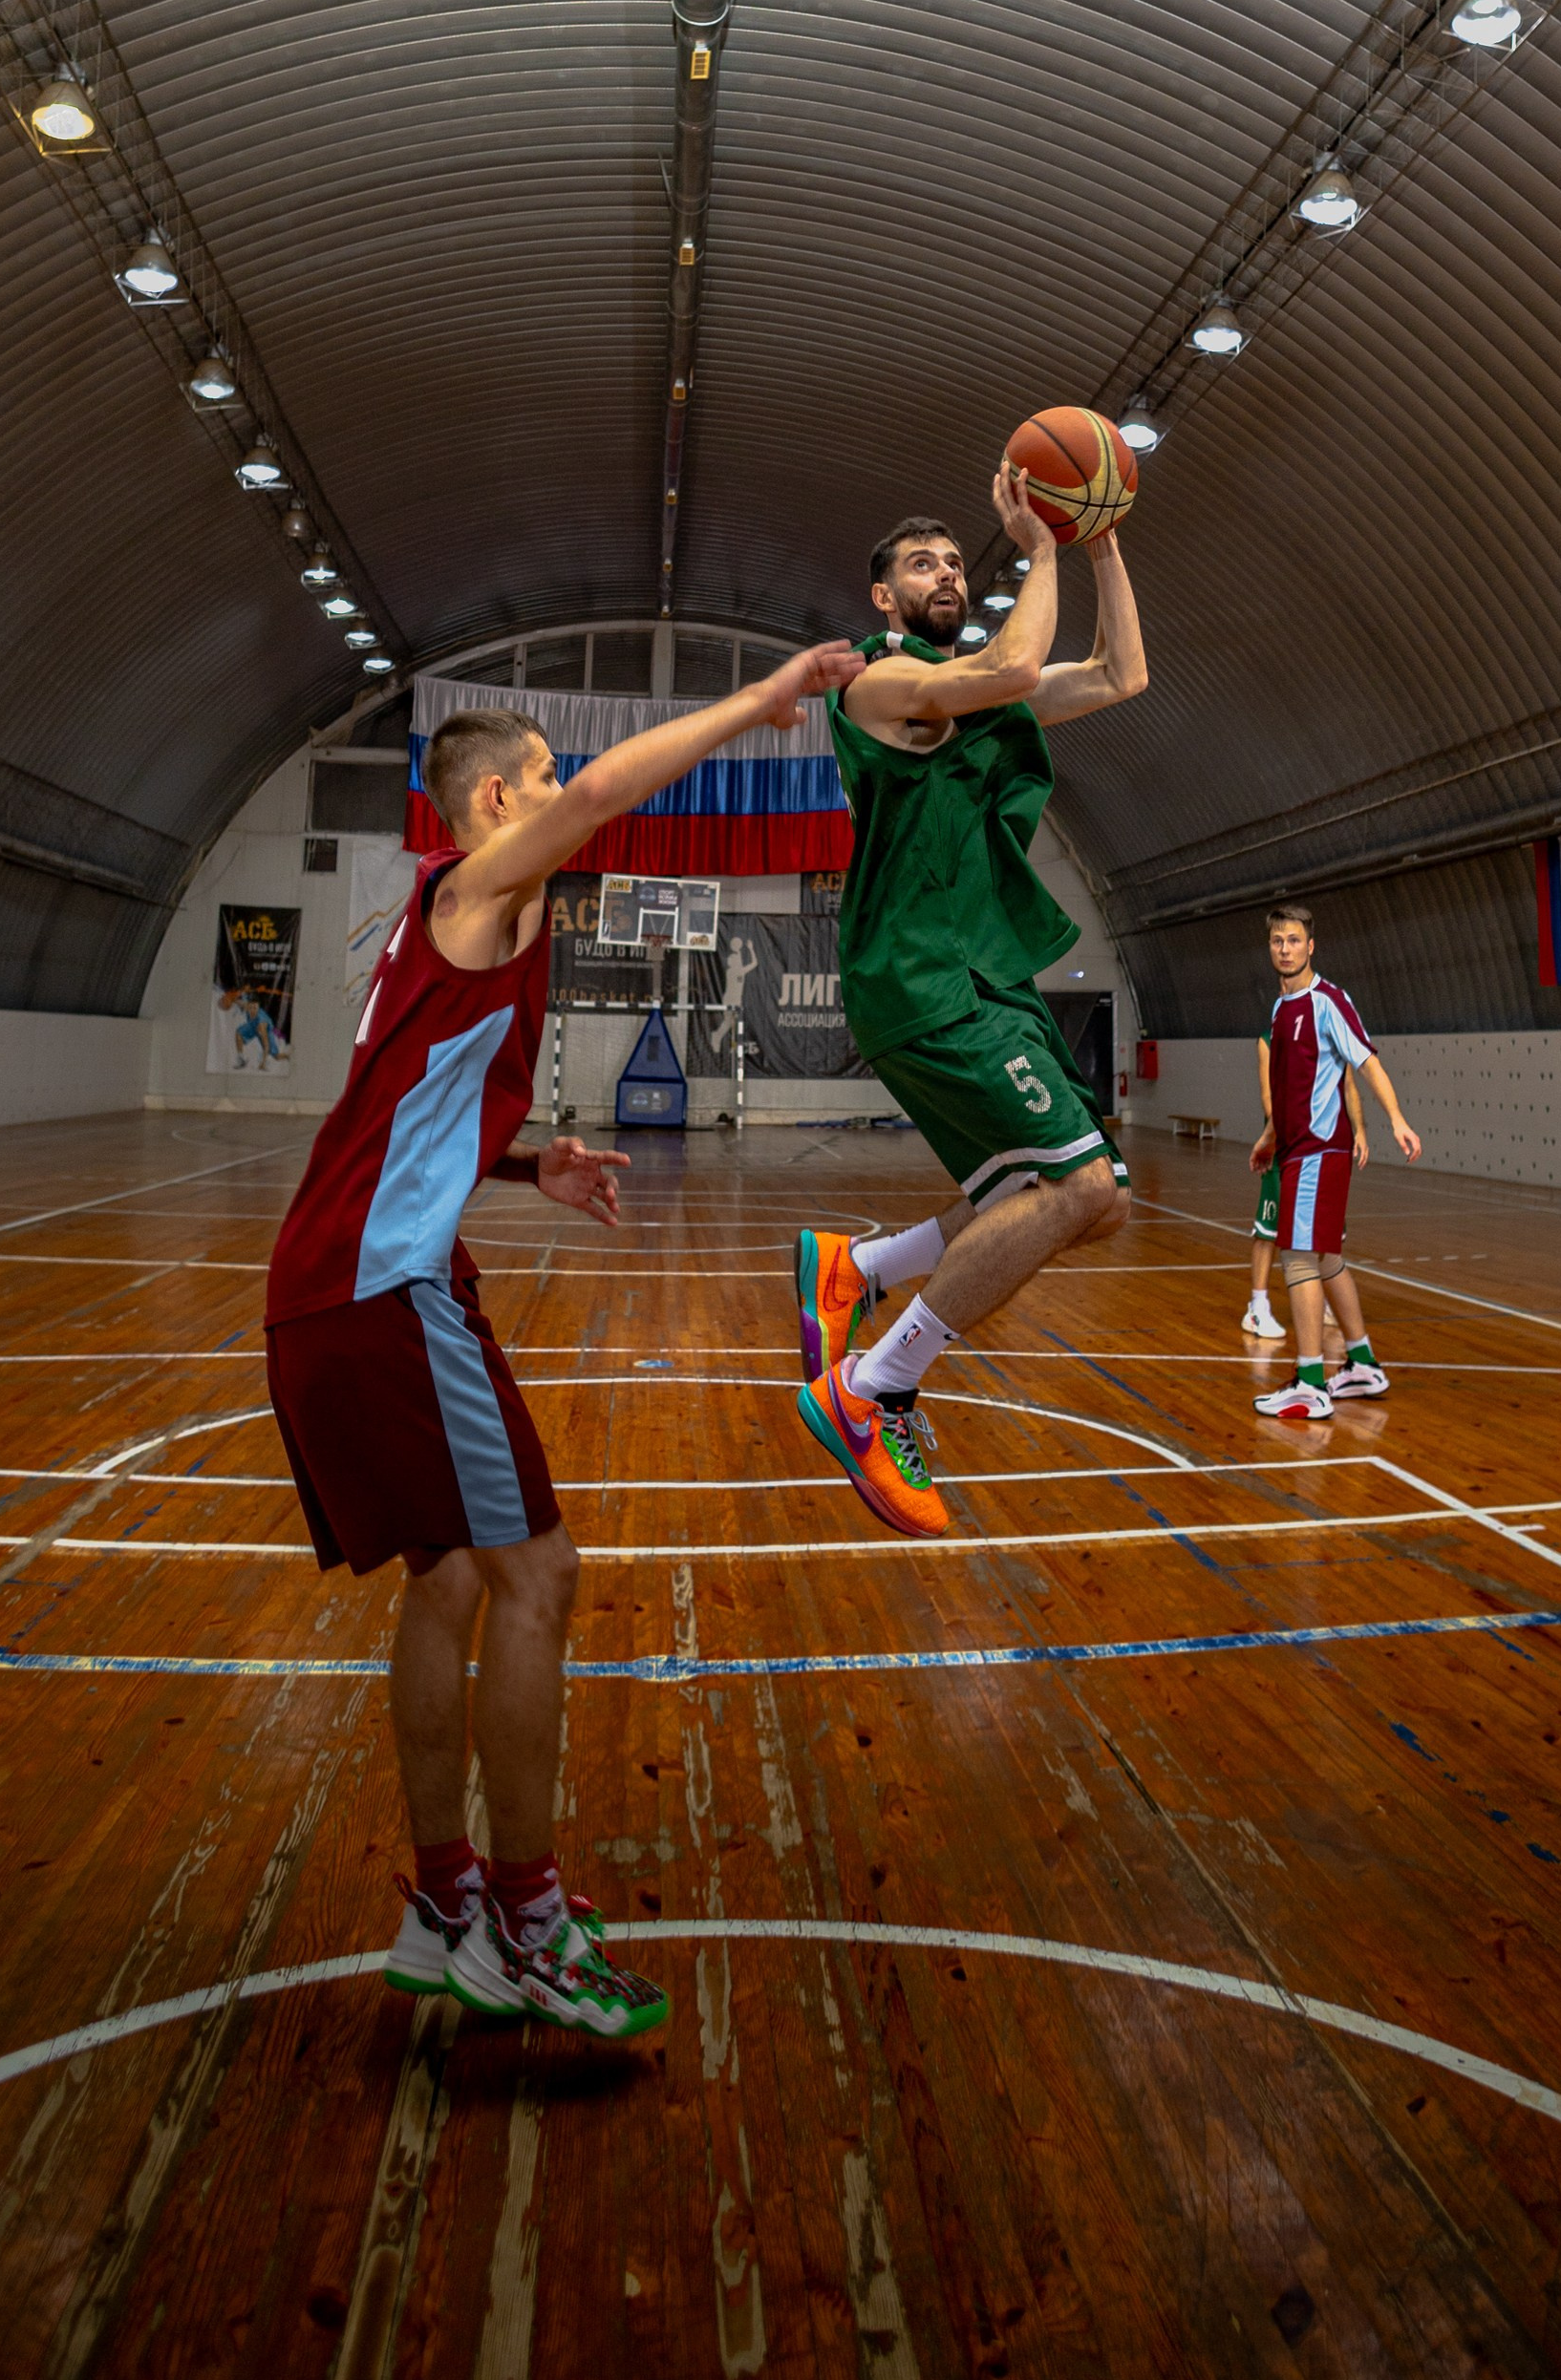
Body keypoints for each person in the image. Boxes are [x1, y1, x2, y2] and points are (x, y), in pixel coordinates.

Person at [265, 642, 860, 2034]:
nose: (561, 802)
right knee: (541, 1575)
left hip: (336, 1283)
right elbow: (598, 798)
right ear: (487, 811)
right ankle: (527, 1927)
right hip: (384, 1287)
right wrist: (764, 707)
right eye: (537, 783)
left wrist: (534, 1167)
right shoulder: (480, 887)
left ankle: (444, 1899)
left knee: (453, 1582)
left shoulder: (450, 922)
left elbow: (402, 1118)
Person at [792, 475, 1147, 1537]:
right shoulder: (880, 683)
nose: (947, 573)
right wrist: (1038, 544)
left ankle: (864, 1266)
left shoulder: (978, 690)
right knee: (1076, 1185)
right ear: (886, 600)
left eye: (955, 560)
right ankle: (872, 1387)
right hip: (920, 976)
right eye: (923, 565)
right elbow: (1017, 662)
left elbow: (1124, 674)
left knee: (1107, 1201)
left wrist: (1101, 541)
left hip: (986, 980)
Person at [1249, 903, 1421, 1421]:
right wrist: (1269, 1136)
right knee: (1325, 1258)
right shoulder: (1280, 1011)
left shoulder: (1328, 1002)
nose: (1286, 949)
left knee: (1297, 1255)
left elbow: (1366, 1062)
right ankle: (1362, 1363)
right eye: (1278, 940)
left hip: (1321, 1150)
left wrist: (1395, 1119)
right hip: (1296, 1147)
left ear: (1311, 946)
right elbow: (1287, 1089)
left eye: (1294, 940)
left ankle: (1309, 1382)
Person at [1244, 1062, 1367, 1344]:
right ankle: (1258, 1307)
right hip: (1289, 1146)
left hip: (1324, 1149)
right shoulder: (1272, 1037)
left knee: (1325, 1231)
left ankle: (1321, 1304)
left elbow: (1349, 1085)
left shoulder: (1332, 1032)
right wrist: (1273, 1137)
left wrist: (1359, 1130)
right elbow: (1271, 1097)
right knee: (1270, 1228)